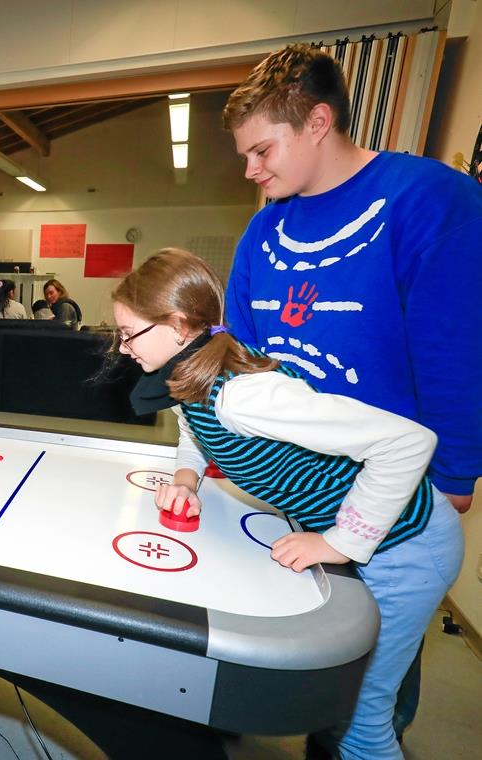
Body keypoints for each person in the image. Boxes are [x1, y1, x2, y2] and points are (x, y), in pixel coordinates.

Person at [222, 43, 482, 748]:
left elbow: (456, 346)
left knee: (371, 687)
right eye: (244, 155)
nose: (252, 169)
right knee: (315, 653)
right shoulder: (264, 229)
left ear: (317, 121)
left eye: (262, 149)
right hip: (301, 487)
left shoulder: (429, 200)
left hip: (395, 491)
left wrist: (456, 473)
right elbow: (239, 356)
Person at [114, 247, 463, 760]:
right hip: (359, 536)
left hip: (405, 547)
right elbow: (194, 435)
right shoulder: (191, 379)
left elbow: (407, 443)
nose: (123, 348)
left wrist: (340, 542)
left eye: (130, 333)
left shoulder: (247, 396)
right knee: (332, 704)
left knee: (359, 722)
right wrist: (186, 481)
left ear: (179, 325)